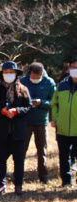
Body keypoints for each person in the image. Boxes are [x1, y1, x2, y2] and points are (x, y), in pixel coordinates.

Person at [0, 61, 32, 195]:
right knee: (0, 159)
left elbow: (28, 107)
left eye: (11, 72)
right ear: (2, 75)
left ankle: (18, 185)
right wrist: (1, 111)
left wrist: (16, 111)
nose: (9, 75)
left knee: (18, 159)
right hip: (1, 130)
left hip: (18, 131)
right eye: (6, 73)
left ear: (16, 74)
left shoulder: (23, 90)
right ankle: (0, 184)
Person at [20, 62, 56, 184]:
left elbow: (54, 101)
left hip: (41, 121)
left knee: (42, 150)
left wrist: (41, 102)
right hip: (25, 120)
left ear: (42, 73)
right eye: (34, 77)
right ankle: (18, 174)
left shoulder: (49, 82)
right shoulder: (23, 81)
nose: (36, 79)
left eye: (38, 77)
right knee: (21, 149)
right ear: (30, 73)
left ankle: (43, 175)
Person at [51, 57, 77, 187]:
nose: (75, 70)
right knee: (64, 156)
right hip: (62, 128)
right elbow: (54, 103)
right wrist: (56, 118)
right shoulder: (62, 85)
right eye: (73, 67)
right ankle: (66, 181)